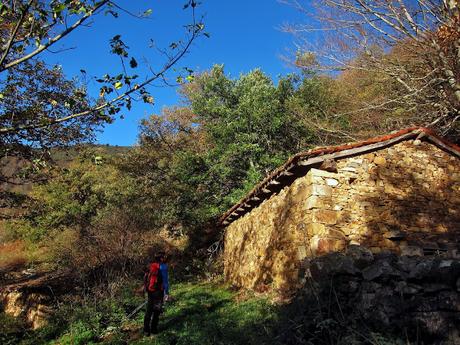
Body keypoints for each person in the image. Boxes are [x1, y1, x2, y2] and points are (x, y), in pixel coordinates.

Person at [143, 251, 169, 336]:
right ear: (161, 258)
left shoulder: (151, 265)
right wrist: (167, 293)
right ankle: (154, 330)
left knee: (149, 310)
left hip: (150, 291)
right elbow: (165, 282)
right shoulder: (163, 267)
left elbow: (146, 277)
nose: (165, 258)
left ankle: (146, 330)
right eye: (164, 257)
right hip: (158, 292)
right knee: (156, 311)